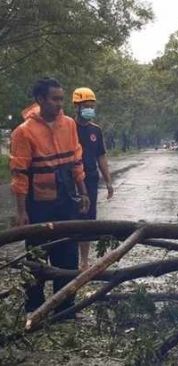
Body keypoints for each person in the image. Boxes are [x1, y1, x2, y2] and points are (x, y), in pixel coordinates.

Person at [10, 77, 90, 315]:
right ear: (40, 100)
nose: (59, 104)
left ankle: (65, 306)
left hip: (66, 199)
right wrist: (22, 211)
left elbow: (76, 161)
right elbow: (20, 174)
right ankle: (34, 306)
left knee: (67, 254)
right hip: (39, 204)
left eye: (61, 99)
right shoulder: (23, 133)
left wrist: (83, 192)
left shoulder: (69, 124)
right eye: (54, 99)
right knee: (36, 255)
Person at [72, 87, 113, 271]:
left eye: (92, 105)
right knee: (71, 220)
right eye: (86, 106)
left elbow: (101, 157)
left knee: (88, 221)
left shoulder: (96, 130)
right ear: (77, 106)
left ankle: (84, 261)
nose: (90, 109)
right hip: (70, 182)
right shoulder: (68, 128)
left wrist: (108, 181)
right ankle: (68, 259)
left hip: (90, 180)